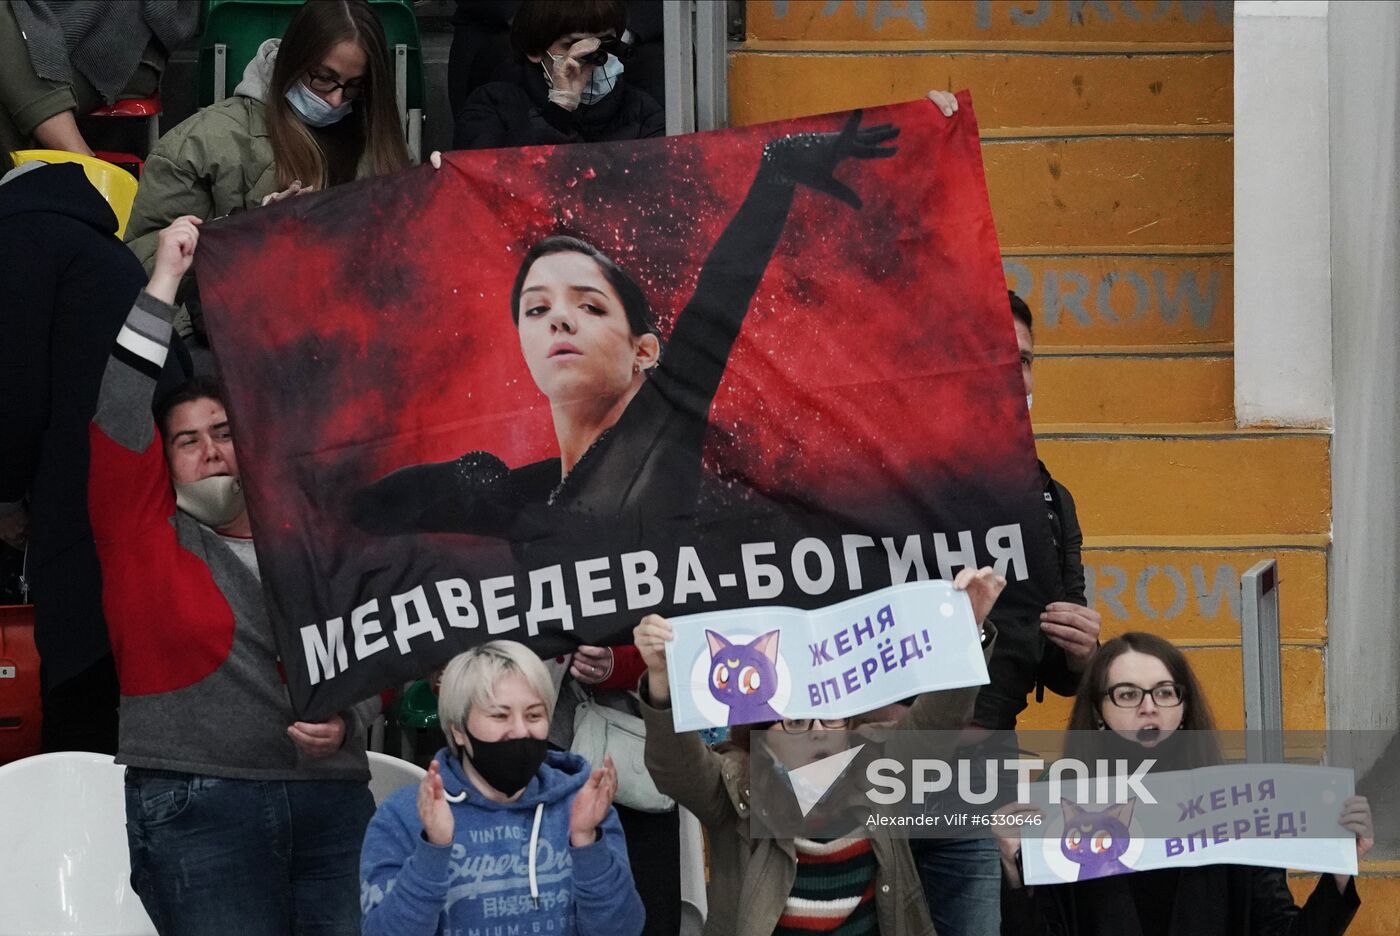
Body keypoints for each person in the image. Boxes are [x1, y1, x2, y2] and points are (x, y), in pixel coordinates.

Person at [352, 109, 899, 546]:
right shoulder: (527, 491)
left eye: (590, 306)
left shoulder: (658, 430)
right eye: (536, 310)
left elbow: (718, 300)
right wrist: (466, 481)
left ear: (645, 351)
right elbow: (360, 512)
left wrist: (775, 176)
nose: (559, 318)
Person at [90, 216, 378, 935]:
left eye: (225, 432)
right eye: (187, 441)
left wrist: (347, 723)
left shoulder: (316, 539)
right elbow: (120, 406)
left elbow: (375, 653)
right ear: (162, 461)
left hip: (333, 803)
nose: (211, 451)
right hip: (202, 805)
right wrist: (165, 278)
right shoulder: (142, 536)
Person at [633, 567, 1005, 936]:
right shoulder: (738, 783)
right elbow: (677, 769)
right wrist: (662, 680)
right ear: (763, 733)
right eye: (795, 722)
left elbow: (938, 724)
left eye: (831, 718)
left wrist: (966, 628)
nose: (817, 734)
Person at [994, 632, 1371, 935]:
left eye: (1164, 691)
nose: (1149, 706)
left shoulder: (1236, 803)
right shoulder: (1066, 810)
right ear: (1098, 711)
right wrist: (1013, 869)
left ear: (1183, 705)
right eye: (1127, 694)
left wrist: (1339, 871)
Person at [0, 156, 190, 754]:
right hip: (146, 482)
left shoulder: (20, 236)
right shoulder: (87, 240)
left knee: (82, 713)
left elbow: (14, 395)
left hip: (92, 490)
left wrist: (5, 497)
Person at [123, 0, 410, 340]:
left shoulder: (379, 141)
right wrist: (245, 232)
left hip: (355, 335)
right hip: (232, 341)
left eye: (354, 86)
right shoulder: (200, 143)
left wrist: (435, 201)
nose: (336, 100)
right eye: (323, 78)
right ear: (292, 61)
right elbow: (140, 273)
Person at [360, 640, 646, 936]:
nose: (520, 730)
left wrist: (587, 842)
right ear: (458, 730)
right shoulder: (404, 815)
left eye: (534, 715)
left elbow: (622, 929)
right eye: (499, 715)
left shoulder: (583, 805)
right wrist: (433, 850)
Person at [452, 0, 664, 149]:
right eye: (573, 45)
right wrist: (559, 110)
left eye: (606, 44)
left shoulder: (642, 110)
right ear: (535, 50)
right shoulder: (493, 105)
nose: (590, 59)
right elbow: (496, 183)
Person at [0, 1, 197, 156]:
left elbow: (164, 13)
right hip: (31, 35)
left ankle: (78, 163)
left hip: (124, 47)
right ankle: (81, 163)